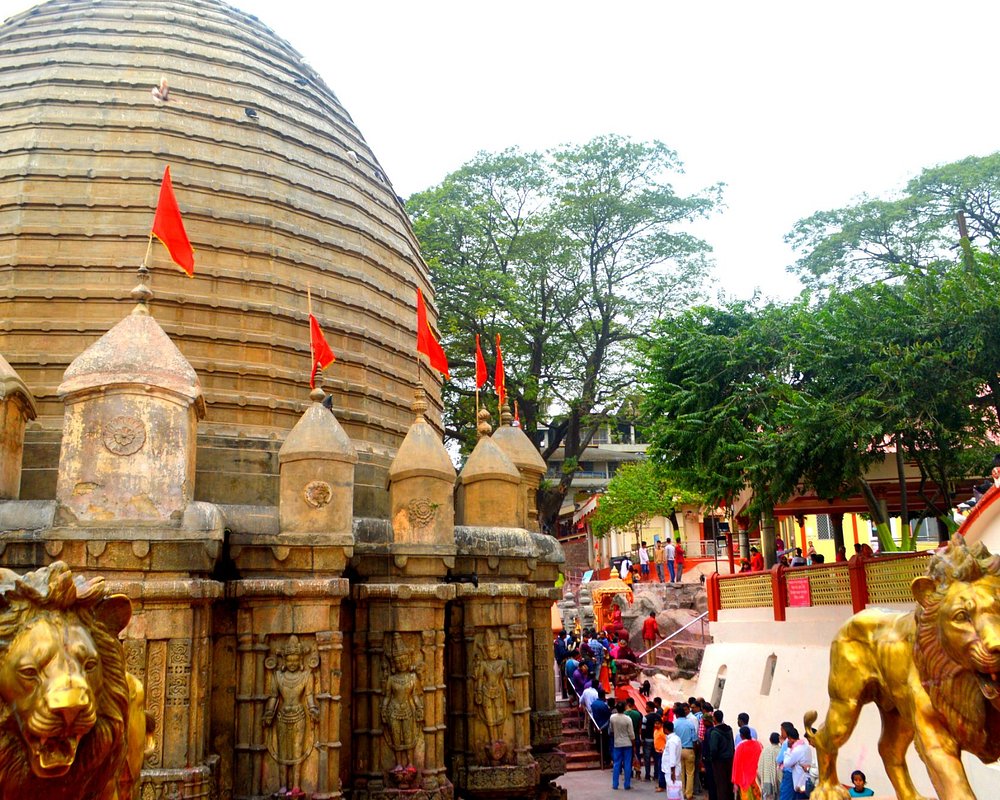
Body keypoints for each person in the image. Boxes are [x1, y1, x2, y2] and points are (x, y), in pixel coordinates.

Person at [706, 709, 735, 800]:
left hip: (719, 761)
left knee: (720, 783)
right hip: (729, 759)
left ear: (714, 718)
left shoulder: (715, 732)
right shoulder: (729, 729)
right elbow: (732, 744)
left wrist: (711, 758)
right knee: (728, 782)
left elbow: (713, 749)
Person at [673, 703, 697, 800]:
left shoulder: (674, 723)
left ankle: (682, 792)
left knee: (681, 773)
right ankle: (689, 794)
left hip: (678, 750)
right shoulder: (690, 724)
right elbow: (694, 739)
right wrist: (693, 750)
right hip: (689, 749)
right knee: (690, 773)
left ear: (677, 714)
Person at [732, 725, 763, 800]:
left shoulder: (740, 747)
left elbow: (736, 765)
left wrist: (735, 782)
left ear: (742, 736)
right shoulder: (758, 745)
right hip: (756, 778)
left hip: (744, 778)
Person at [609, 702, 636, 790]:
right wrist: (633, 744)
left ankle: (615, 784)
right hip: (627, 743)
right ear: (624, 708)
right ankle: (627, 784)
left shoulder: (612, 718)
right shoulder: (628, 719)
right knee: (627, 764)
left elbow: (611, 730)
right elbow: (631, 734)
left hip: (617, 743)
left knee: (617, 764)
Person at [641, 701, 662, 780]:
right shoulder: (659, 716)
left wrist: (642, 739)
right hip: (657, 740)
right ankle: (656, 774)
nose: (646, 708)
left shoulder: (645, 717)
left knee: (647, 758)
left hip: (648, 740)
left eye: (646, 707)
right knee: (656, 758)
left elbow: (643, 729)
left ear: (650, 708)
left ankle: (647, 775)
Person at [757, 732, 781, 800]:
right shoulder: (780, 750)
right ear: (779, 740)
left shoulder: (765, 751)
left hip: (766, 781)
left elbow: (760, 766)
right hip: (777, 782)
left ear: (770, 740)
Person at [660, 719, 681, 795]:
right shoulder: (676, 738)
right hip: (672, 769)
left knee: (672, 792)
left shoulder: (672, 741)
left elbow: (672, 757)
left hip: (671, 770)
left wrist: (672, 772)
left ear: (665, 729)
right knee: (674, 792)